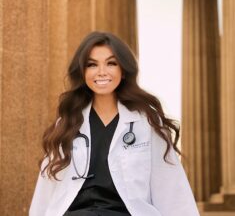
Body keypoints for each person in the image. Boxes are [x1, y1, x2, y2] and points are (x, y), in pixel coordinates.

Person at [29, 31, 200, 216]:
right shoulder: (67, 123)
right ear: (82, 72)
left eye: (111, 63)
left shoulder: (147, 123)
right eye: (92, 65)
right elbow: (45, 193)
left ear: (123, 70)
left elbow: (172, 189)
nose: (102, 72)